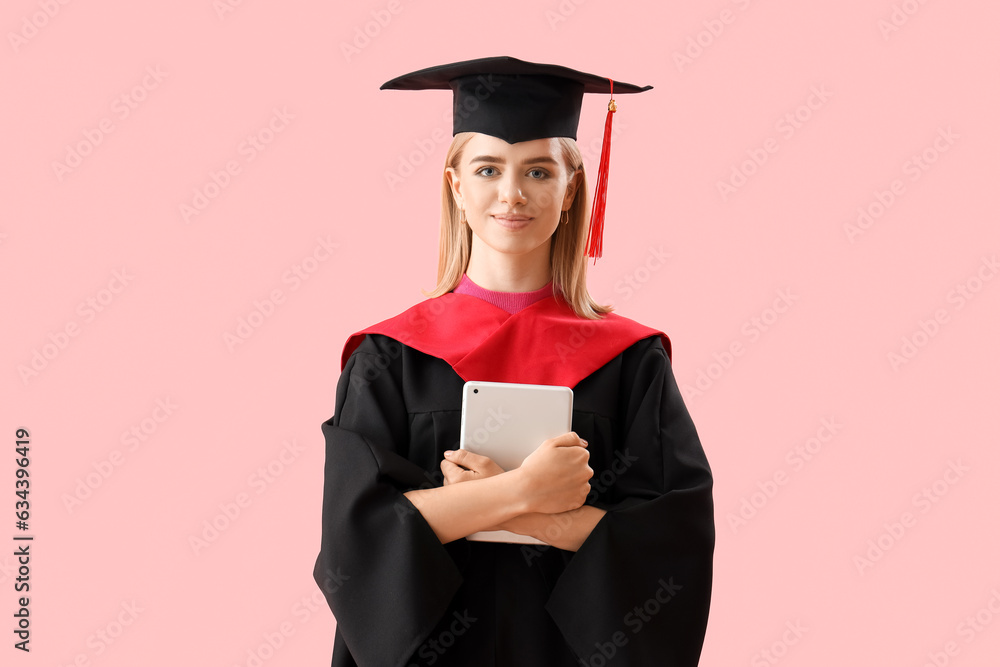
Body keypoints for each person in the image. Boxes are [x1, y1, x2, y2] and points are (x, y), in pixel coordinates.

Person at [313, 56, 715, 667]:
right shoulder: (388, 356)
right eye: (487, 169)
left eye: (537, 170)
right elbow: (356, 540)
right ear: (455, 184)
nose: (512, 193)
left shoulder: (631, 362)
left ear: (570, 185)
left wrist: (500, 508)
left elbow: (672, 542)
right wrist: (528, 491)